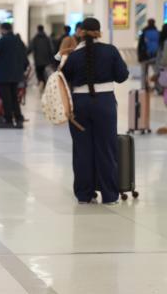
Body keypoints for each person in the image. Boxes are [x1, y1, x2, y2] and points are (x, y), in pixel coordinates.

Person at [61, 17, 129, 205]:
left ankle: (85, 194)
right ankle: (109, 195)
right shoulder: (110, 51)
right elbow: (122, 76)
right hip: (105, 104)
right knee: (106, 149)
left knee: (82, 150)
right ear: (99, 32)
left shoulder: (74, 55)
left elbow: (62, 77)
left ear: (80, 32)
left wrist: (61, 56)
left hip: (79, 105)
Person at [138, 18, 160, 88]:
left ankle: (144, 87)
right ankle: (158, 88)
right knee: (157, 72)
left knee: (144, 73)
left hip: (144, 56)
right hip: (155, 56)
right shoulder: (157, 32)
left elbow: (140, 45)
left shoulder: (144, 32)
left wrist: (139, 56)